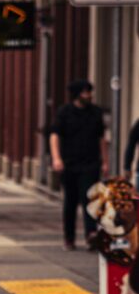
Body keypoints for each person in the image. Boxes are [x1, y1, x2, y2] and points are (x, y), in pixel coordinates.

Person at [50, 80, 108, 251]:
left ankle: (91, 235)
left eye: (89, 92)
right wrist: (56, 158)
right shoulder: (64, 112)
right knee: (70, 201)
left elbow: (101, 138)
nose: (89, 95)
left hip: (90, 163)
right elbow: (54, 135)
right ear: (77, 95)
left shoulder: (96, 113)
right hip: (69, 163)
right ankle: (69, 238)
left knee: (90, 199)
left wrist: (105, 161)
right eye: (85, 92)